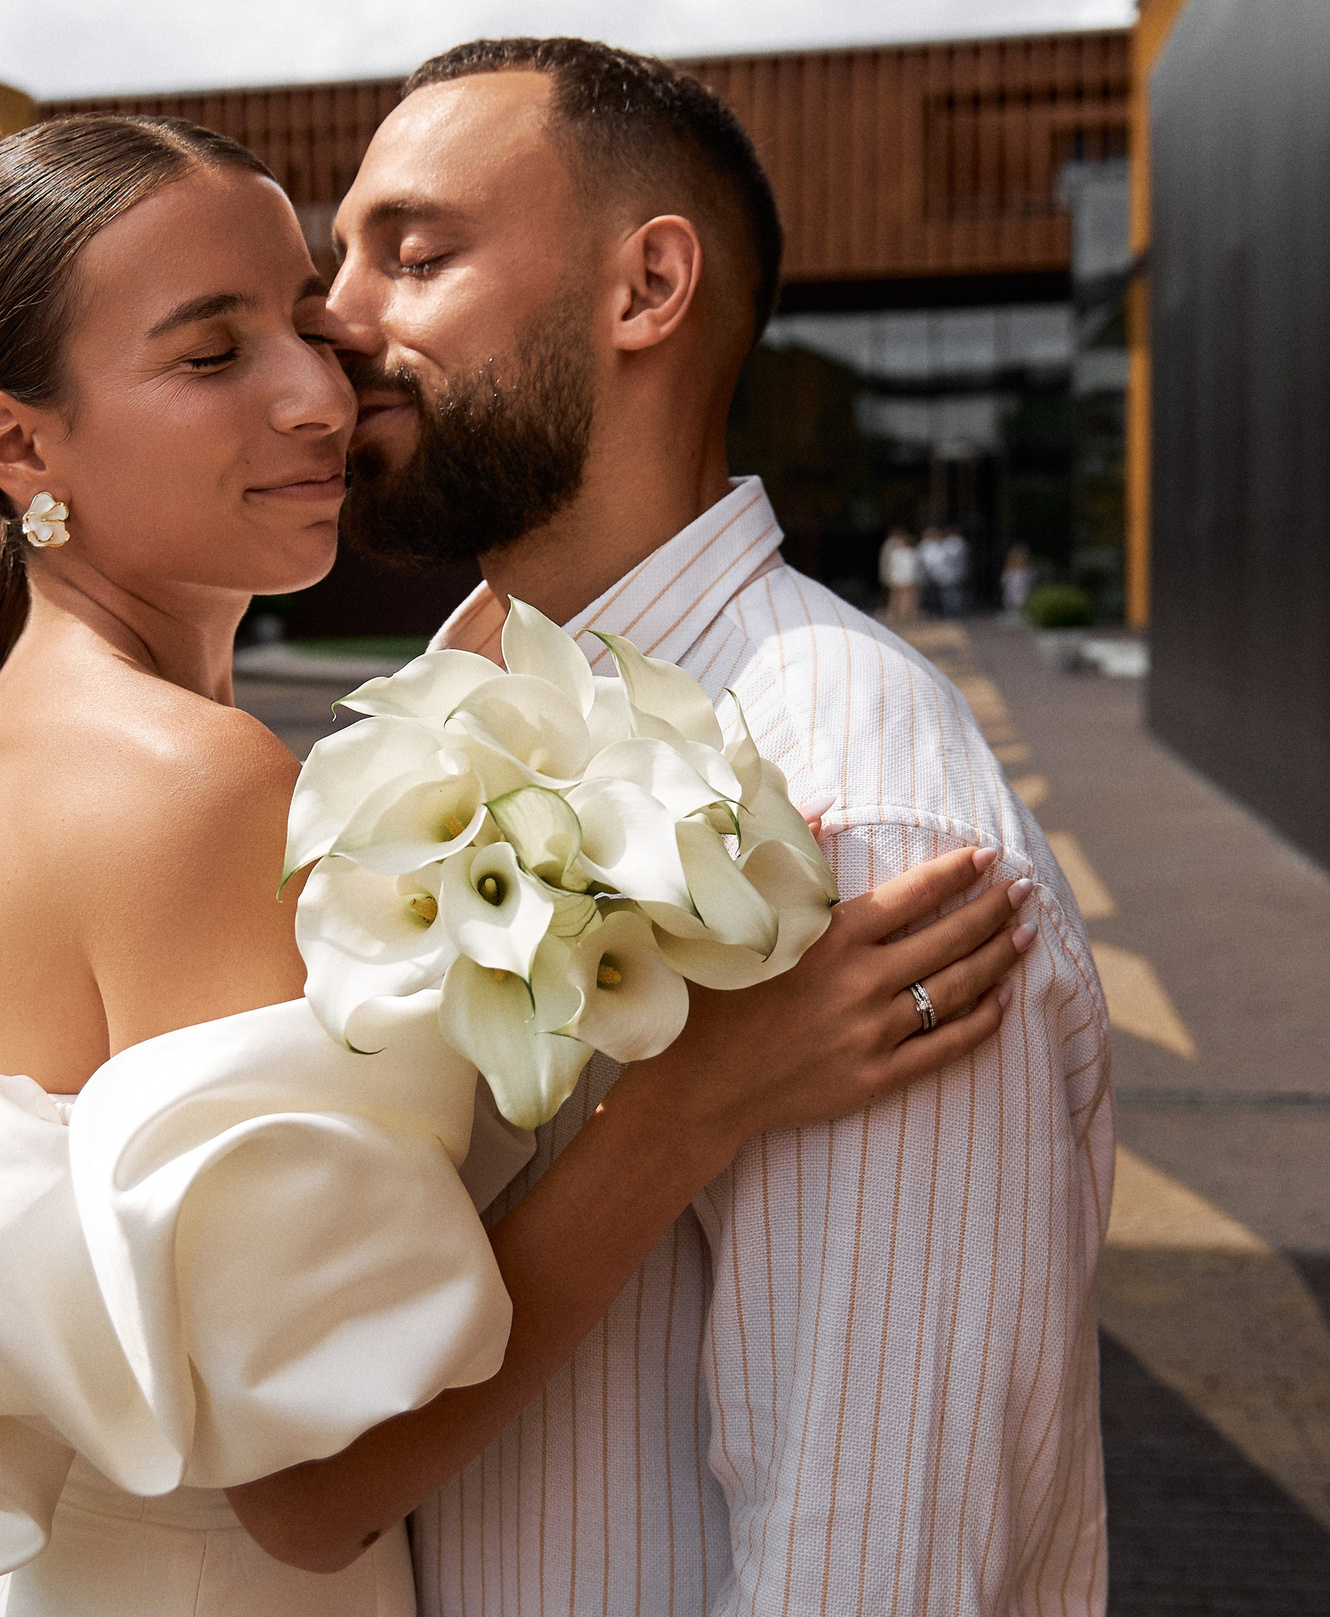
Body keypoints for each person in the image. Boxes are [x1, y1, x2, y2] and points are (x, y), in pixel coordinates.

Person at [0, 113, 1033, 1616]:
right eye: (212, 356)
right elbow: (310, 1491)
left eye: (301, 322)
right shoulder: (184, 783)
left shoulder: (59, 731)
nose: (318, 394)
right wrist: (694, 1099)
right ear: (19, 443)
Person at [318, 39, 1111, 1613]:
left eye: (411, 254)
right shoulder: (415, 721)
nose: (333, 322)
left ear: (645, 288)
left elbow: (872, 1530)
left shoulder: (846, 794)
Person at [881, 525, 922, 625]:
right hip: (901, 578)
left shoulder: (909, 553)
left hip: (903, 578)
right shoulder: (902, 552)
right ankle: (900, 616)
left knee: (905, 599)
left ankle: (905, 616)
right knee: (899, 599)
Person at [1004, 542, 1036, 619]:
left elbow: (1031, 584)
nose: (1019, 560)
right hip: (1011, 597)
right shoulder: (1008, 572)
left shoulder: (1028, 572)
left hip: (1024, 597)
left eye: (1021, 558)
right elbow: (1005, 585)